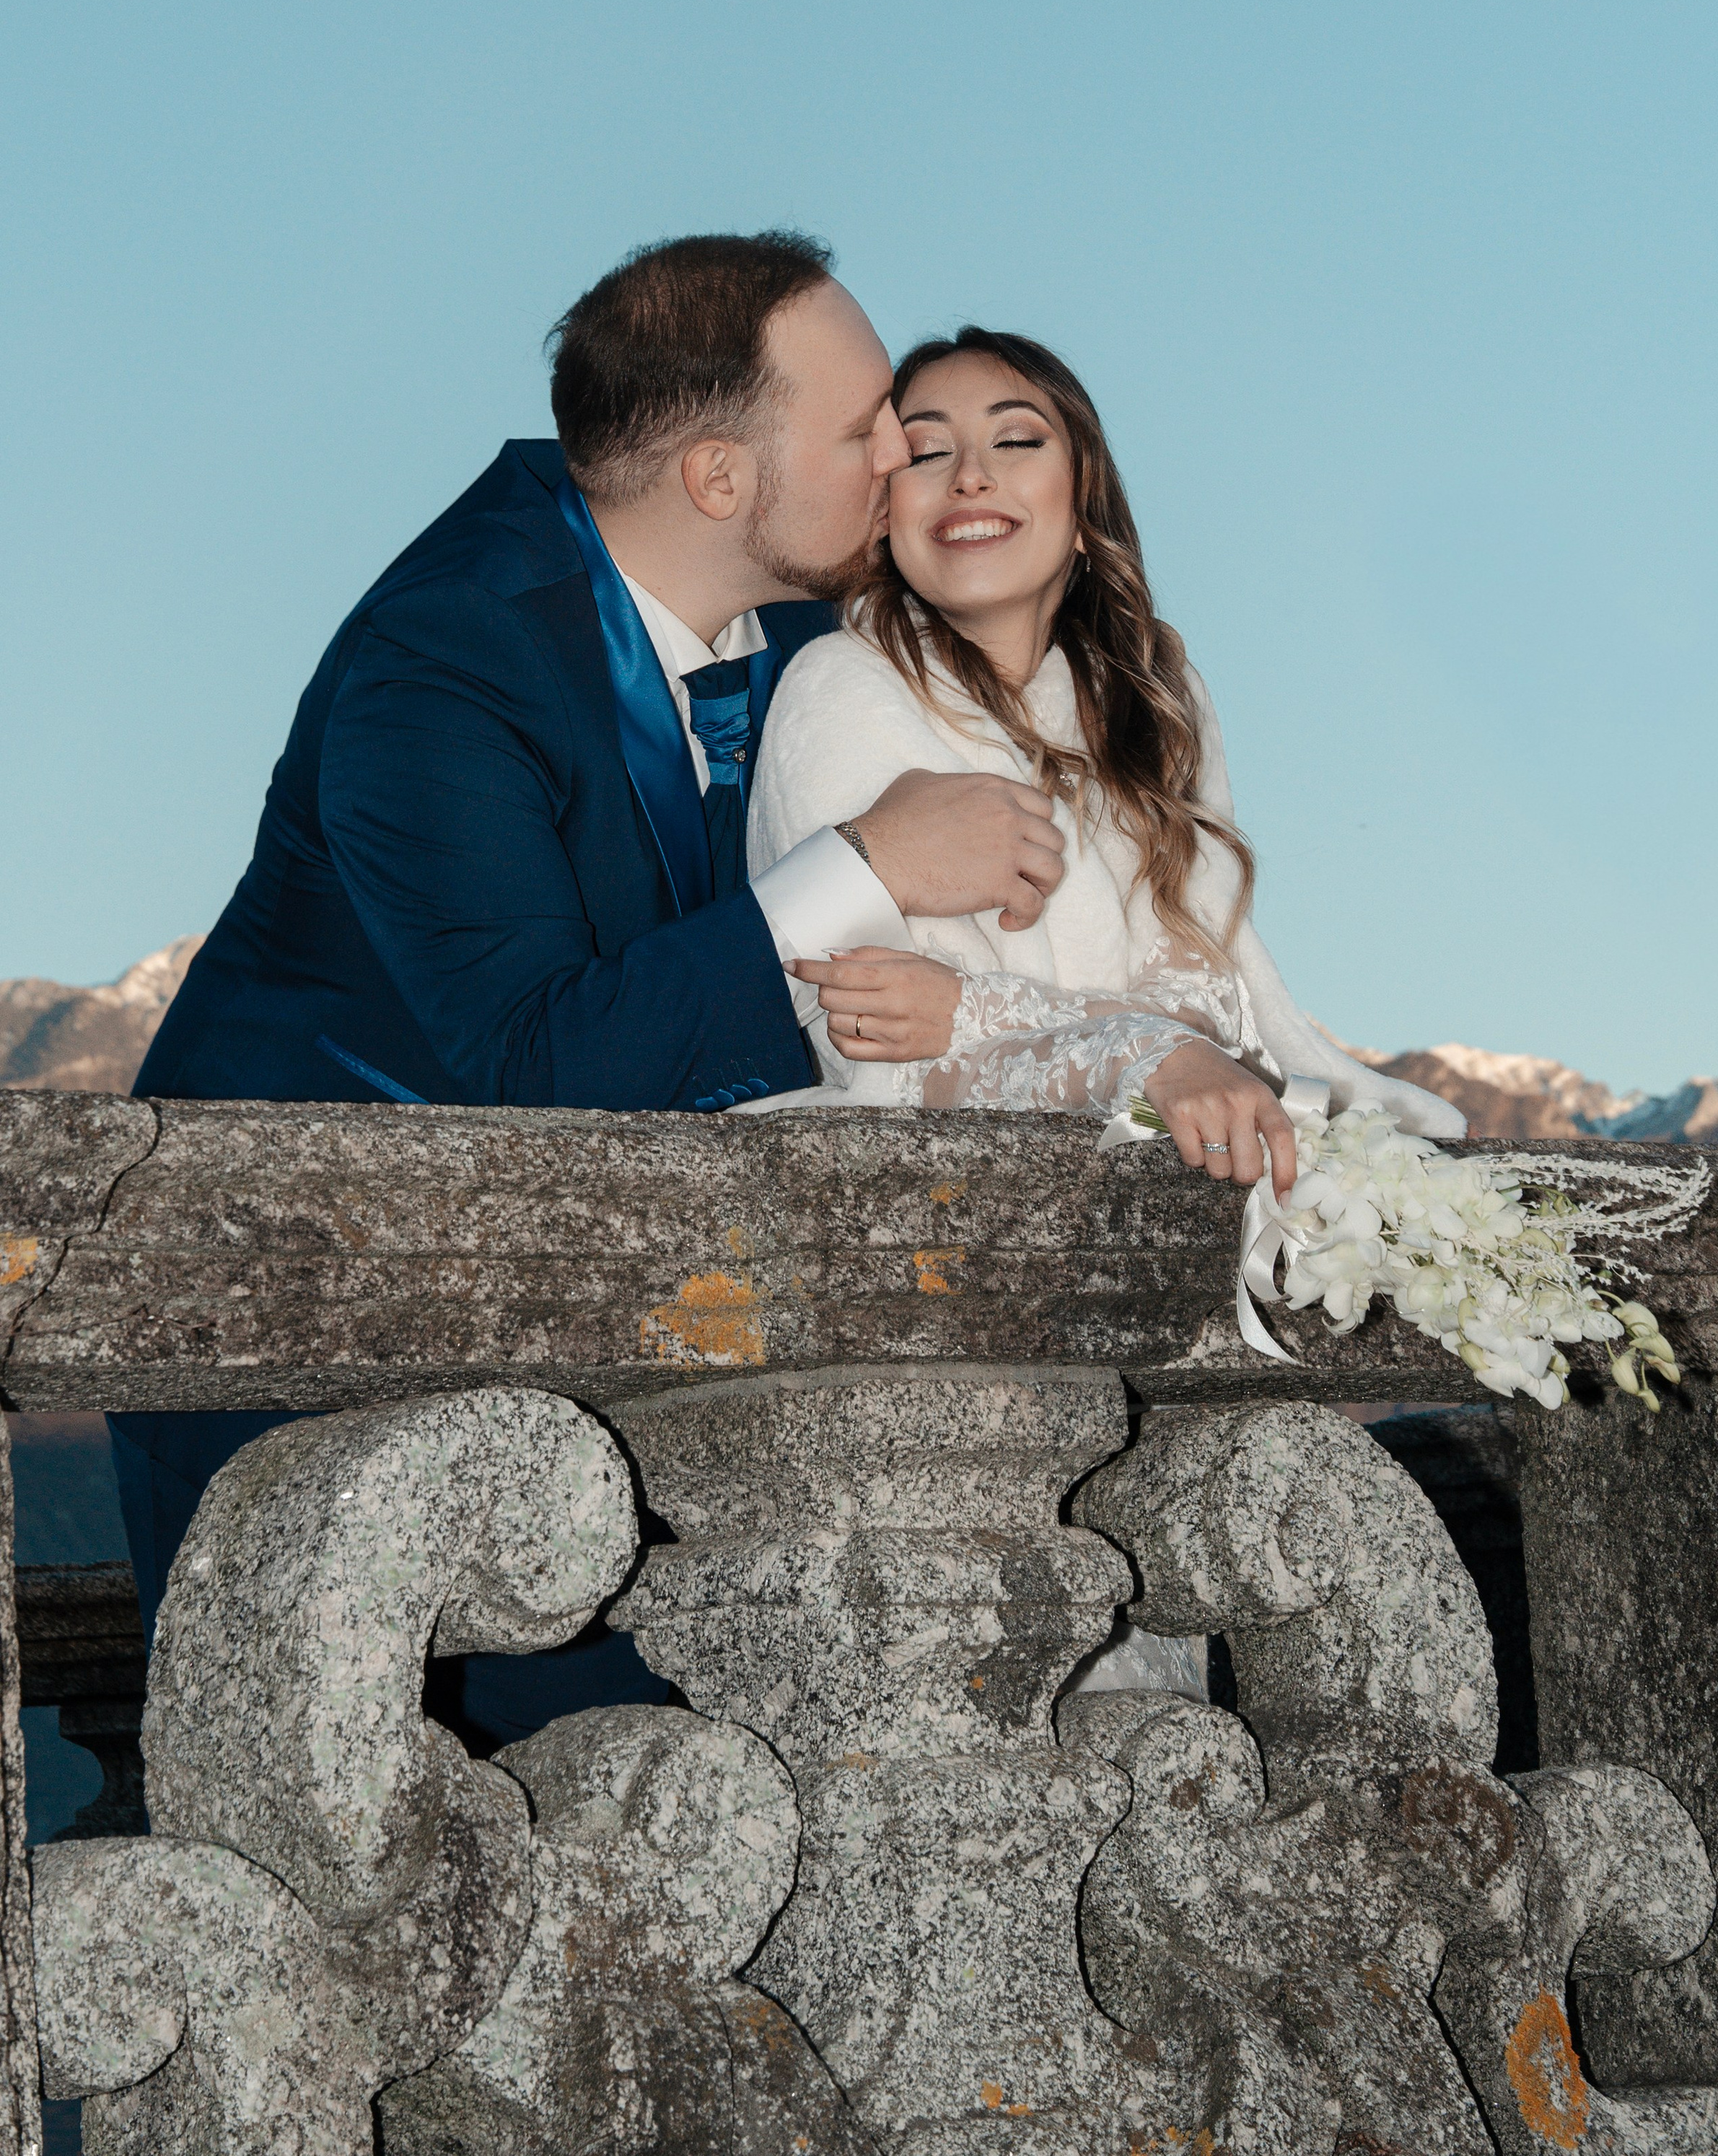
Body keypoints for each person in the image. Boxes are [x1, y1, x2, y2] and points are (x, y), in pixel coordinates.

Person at [118, 236, 1071, 1743]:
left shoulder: (807, 624)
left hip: (606, 1325)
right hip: (320, 1351)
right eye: (865, 430)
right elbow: (531, 1067)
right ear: (716, 478)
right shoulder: (446, 658)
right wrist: (869, 864)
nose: (904, 457)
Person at [749, 324, 1465, 1160]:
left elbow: (1206, 1001)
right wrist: (1143, 1049)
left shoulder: (1153, 694)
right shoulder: (834, 690)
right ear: (884, 514)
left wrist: (979, 1009)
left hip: (1133, 1152)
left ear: (1085, 507)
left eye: (1016, 440)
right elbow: (878, 1046)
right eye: (925, 453)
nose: (970, 475)